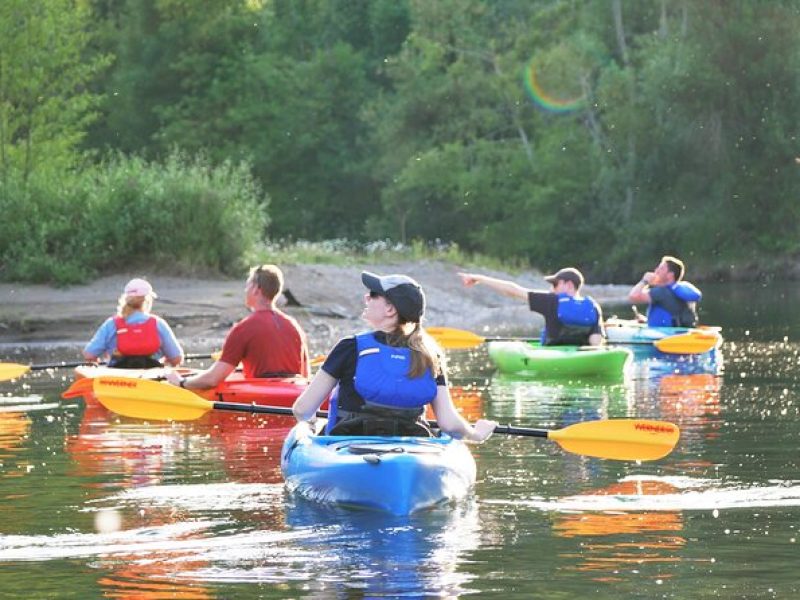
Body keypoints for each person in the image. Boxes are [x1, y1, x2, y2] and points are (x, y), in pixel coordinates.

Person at [292, 271, 497, 441]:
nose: (366, 297)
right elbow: (448, 423)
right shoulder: (430, 355)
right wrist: (476, 434)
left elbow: (303, 409)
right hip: (412, 449)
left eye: (373, 294)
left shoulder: (350, 347)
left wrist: (310, 426)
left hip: (348, 445)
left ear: (390, 309)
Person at [168, 264, 309, 390]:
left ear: (255, 289)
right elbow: (306, 376)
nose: (245, 290)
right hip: (292, 394)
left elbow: (213, 379)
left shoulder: (244, 328)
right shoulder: (294, 326)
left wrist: (182, 382)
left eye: (248, 285)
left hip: (261, 399)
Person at [459, 267, 604, 346]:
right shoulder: (593, 306)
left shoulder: (551, 301)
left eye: (555, 284)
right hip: (582, 358)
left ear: (569, 285)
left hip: (552, 358)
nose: (551, 289)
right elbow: (595, 342)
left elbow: (512, 291)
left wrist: (479, 278)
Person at [83, 278, 184, 369]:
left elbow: (89, 355)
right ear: (147, 300)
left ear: (125, 299)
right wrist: (167, 360)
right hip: (152, 378)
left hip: (117, 380)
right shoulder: (159, 324)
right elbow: (177, 359)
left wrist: (97, 362)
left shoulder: (111, 324)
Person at [628, 256, 701, 328]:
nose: (656, 271)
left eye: (661, 269)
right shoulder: (677, 290)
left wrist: (645, 281)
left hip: (665, 335)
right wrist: (646, 320)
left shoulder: (660, 292)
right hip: (680, 332)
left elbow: (633, 296)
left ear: (670, 275)